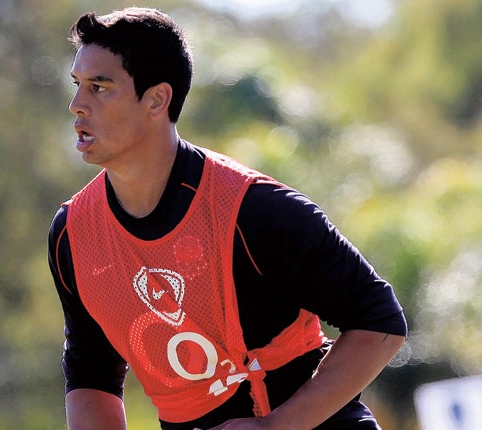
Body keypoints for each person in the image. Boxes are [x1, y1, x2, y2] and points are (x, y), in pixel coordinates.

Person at [48, 7, 407, 430]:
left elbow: (380, 321)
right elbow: (91, 377)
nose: (77, 105)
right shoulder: (72, 235)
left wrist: (277, 426)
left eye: (99, 87)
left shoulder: (255, 209)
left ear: (157, 100)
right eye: (77, 85)